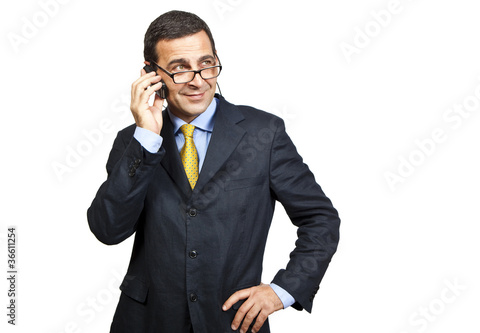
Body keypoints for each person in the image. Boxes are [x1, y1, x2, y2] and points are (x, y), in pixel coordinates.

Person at [87, 10, 340, 333]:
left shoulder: (264, 133)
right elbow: (108, 230)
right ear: (151, 73)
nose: (198, 80)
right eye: (180, 69)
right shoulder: (134, 141)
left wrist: (283, 290)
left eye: (207, 64)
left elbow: (320, 219)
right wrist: (147, 138)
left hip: (233, 321)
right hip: (147, 323)